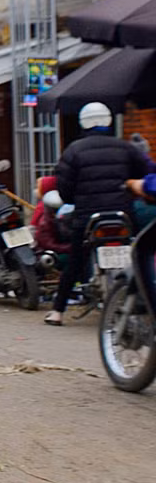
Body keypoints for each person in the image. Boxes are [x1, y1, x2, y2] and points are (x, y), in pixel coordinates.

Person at [45, 101, 148, 326]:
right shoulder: (125, 147)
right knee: (142, 254)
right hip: (123, 214)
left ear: (83, 123)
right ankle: (145, 303)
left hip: (88, 217)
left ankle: (58, 311)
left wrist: (74, 200)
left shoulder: (73, 150)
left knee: (75, 261)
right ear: (108, 121)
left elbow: (65, 188)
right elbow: (144, 173)